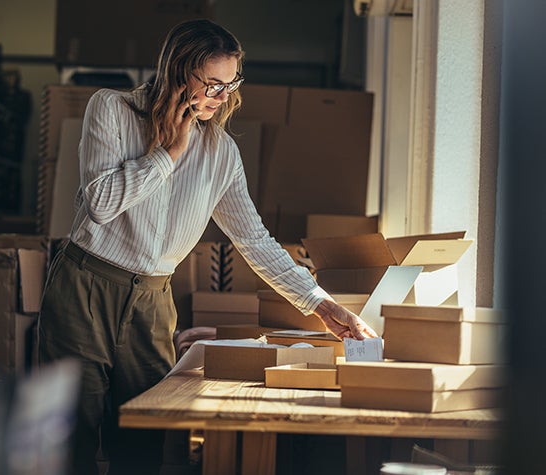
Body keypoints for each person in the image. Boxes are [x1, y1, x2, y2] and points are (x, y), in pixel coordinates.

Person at [37, 18, 378, 475]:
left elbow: (255, 240)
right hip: (84, 288)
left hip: (152, 303)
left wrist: (321, 305)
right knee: (70, 435)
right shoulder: (112, 109)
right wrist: (168, 154)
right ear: (179, 73)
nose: (223, 97)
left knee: (142, 440)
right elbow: (99, 204)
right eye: (212, 84)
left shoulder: (221, 154)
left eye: (230, 83)